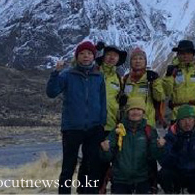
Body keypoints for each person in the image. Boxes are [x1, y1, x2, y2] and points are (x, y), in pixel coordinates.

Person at [46, 40, 106, 194]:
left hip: (94, 128)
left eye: (89, 53)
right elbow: (51, 93)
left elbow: (102, 101)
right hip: (72, 128)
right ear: (77, 56)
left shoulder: (98, 76)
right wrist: (55, 73)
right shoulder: (67, 75)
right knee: (68, 166)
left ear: (94, 56)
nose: (86, 56)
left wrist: (101, 123)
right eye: (82, 53)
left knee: (91, 164)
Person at [100, 98, 165, 194]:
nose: (135, 112)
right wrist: (105, 150)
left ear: (143, 112)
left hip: (143, 179)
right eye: (132, 109)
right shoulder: (118, 131)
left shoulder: (149, 131)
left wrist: (160, 147)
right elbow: (107, 158)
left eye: (139, 109)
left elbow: (155, 156)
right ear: (127, 111)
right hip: (120, 180)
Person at [93, 41, 128, 192]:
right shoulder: (94, 71)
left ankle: (102, 189)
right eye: (109, 55)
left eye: (115, 56)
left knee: (106, 161)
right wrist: (94, 50)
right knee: (91, 160)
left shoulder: (119, 79)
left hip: (110, 125)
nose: (112, 58)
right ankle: (87, 190)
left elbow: (119, 104)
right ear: (103, 57)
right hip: (92, 124)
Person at [159, 104, 195, 194]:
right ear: (178, 121)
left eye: (190, 119)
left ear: (194, 120)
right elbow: (164, 162)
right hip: (178, 173)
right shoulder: (171, 136)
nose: (187, 123)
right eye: (183, 119)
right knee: (163, 174)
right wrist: (175, 150)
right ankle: (174, 191)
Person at [162, 40, 195, 123]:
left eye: (188, 53)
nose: (185, 56)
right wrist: (169, 76)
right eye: (182, 53)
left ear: (193, 55)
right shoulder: (173, 70)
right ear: (177, 54)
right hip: (178, 114)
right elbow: (167, 91)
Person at [120, 47, 165, 128]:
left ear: (145, 62)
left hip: (147, 122)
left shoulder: (151, 79)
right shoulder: (125, 79)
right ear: (130, 62)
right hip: (127, 122)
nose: (137, 61)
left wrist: (155, 82)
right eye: (134, 59)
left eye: (141, 58)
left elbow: (159, 97)